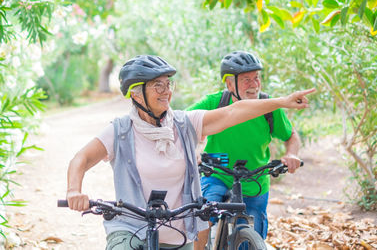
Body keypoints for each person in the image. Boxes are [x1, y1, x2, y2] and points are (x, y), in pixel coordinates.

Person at [66, 54, 314, 250]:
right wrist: (74, 190)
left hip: (178, 231)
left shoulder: (184, 124)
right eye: (157, 85)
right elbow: (82, 158)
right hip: (132, 229)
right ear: (135, 93)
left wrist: (282, 101)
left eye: (168, 84)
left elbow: (233, 112)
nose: (166, 91)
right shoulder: (120, 131)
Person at [187, 50, 304, 249]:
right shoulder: (214, 103)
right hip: (217, 172)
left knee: (250, 242)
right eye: (246, 79)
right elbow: (182, 125)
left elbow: (291, 136)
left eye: (256, 78)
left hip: (255, 179)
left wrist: (292, 154)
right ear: (230, 84)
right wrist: (194, 149)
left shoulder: (269, 107)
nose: (254, 84)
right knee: (202, 221)